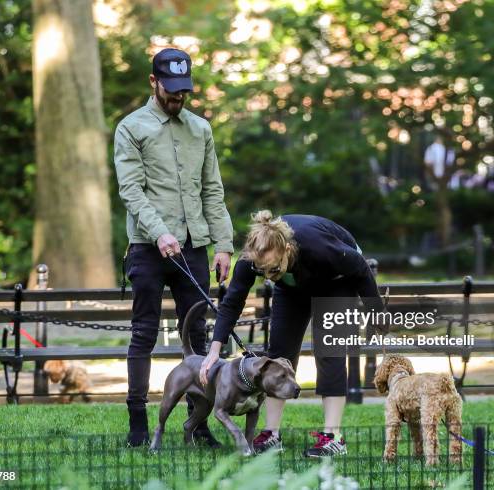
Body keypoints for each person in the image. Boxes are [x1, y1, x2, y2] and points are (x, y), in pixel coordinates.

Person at [114, 47, 233, 447]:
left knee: (198, 336)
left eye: (184, 90)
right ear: (153, 82)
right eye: (170, 89)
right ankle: (137, 425)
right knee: (143, 334)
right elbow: (131, 190)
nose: (177, 97)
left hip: (194, 247)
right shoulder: (131, 128)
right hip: (148, 248)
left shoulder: (200, 129)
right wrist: (159, 231)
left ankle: (197, 425)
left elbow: (213, 191)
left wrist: (224, 245)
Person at [200, 211, 386, 457]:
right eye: (262, 271)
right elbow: (232, 302)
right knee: (279, 353)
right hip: (292, 286)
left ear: (287, 249)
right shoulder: (253, 259)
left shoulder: (321, 248)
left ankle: (333, 437)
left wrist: (377, 314)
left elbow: (361, 269)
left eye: (273, 270)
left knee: (330, 353)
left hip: (337, 281)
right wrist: (213, 351)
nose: (268, 276)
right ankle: (271, 434)